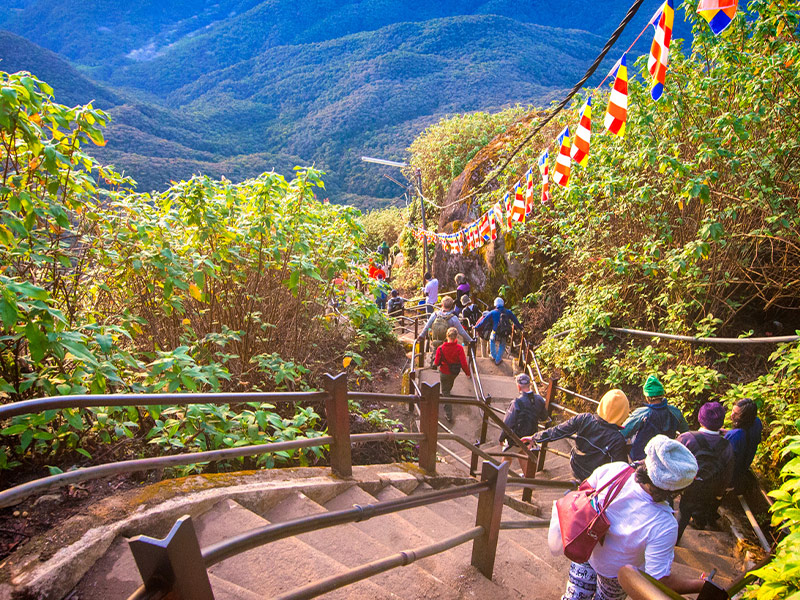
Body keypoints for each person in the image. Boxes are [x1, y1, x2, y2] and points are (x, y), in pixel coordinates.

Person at [560, 435, 705, 600]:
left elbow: (584, 491)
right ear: (674, 490)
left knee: (573, 596)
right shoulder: (664, 524)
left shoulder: (616, 470)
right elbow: (659, 579)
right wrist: (702, 585)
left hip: (585, 547)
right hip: (617, 574)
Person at [524, 389, 630, 481]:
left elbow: (558, 430)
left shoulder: (584, 419)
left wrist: (535, 437)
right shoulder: (617, 440)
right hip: (595, 479)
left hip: (576, 466)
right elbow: (620, 469)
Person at [676, 402, 734, 541]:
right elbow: (728, 472)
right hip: (711, 487)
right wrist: (720, 493)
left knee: (683, 513)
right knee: (703, 509)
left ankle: (674, 540)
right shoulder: (726, 446)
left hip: (689, 484)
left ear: (700, 418)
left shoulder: (687, 438)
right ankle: (699, 524)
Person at [621, 375, 689, 461]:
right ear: (662, 395)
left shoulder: (642, 413)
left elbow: (623, 433)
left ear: (647, 397)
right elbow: (686, 433)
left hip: (642, 459)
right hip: (666, 457)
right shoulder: (675, 412)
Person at [500, 373, 548, 472]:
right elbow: (544, 417)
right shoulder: (539, 399)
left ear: (518, 386)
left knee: (507, 456)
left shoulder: (517, 402)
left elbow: (508, 423)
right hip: (531, 435)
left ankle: (497, 480)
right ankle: (529, 479)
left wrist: (502, 438)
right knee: (523, 453)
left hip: (516, 438)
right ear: (530, 384)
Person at [724, 398, 762, 494]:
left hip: (730, 478)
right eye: (732, 411)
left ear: (745, 417)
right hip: (743, 467)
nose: (732, 415)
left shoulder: (735, 436)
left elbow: (724, 459)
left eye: (736, 414)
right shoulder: (756, 422)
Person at [418, 296, 473, 361]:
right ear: (451, 306)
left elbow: (427, 327)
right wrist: (470, 340)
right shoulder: (453, 318)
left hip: (436, 341)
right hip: (447, 342)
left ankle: (435, 361)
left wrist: (421, 335)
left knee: (437, 353)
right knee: (447, 358)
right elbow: (461, 331)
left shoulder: (435, 315)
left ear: (442, 304)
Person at [433, 327, 471, 421]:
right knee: (449, 385)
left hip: (444, 372)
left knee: (445, 392)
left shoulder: (441, 348)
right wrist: (467, 373)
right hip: (454, 372)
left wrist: (434, 363)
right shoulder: (459, 348)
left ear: (447, 336)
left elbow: (436, 362)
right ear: (456, 336)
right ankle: (448, 392)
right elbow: (463, 363)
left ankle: (449, 414)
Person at [474, 297, 521, 366]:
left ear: (495, 304)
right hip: (504, 331)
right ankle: (498, 359)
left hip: (494, 331)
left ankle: (493, 356)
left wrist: (476, 327)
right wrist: (521, 328)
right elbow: (515, 321)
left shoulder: (493, 312)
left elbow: (484, 321)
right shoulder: (508, 312)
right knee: (502, 344)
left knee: (491, 341)